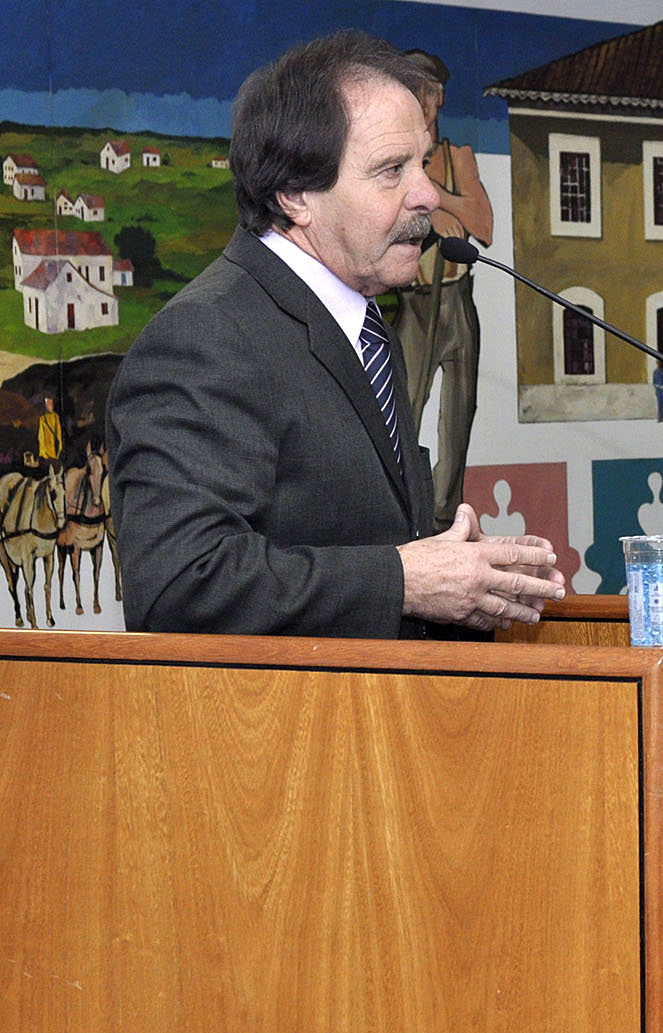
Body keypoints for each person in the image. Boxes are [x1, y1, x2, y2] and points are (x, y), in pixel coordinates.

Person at [106, 30, 563, 637]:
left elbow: (353, 544)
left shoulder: (368, 328)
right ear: (295, 195)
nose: (426, 194)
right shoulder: (204, 338)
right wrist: (407, 581)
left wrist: (458, 571)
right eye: (390, 170)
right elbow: (176, 584)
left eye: (422, 162)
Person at [393, 48, 493, 533]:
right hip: (414, 306)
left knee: (459, 412)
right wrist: (442, 213)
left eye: (425, 92)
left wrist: (440, 199)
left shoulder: (458, 158)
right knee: (405, 410)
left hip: (457, 300)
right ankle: (403, 516)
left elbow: (483, 224)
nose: (420, 102)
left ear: (437, 97)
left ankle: (443, 516)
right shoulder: (391, 165)